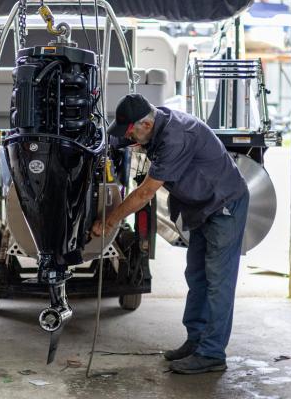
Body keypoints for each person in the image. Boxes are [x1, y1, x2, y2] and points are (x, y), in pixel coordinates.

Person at [92, 93, 249, 375]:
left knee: (218, 282)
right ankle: (197, 340)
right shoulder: (157, 123)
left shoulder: (177, 137)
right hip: (202, 206)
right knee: (197, 275)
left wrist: (110, 220)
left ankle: (212, 354)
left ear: (146, 125)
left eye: (130, 133)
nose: (129, 138)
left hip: (224, 205)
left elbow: (145, 193)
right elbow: (124, 144)